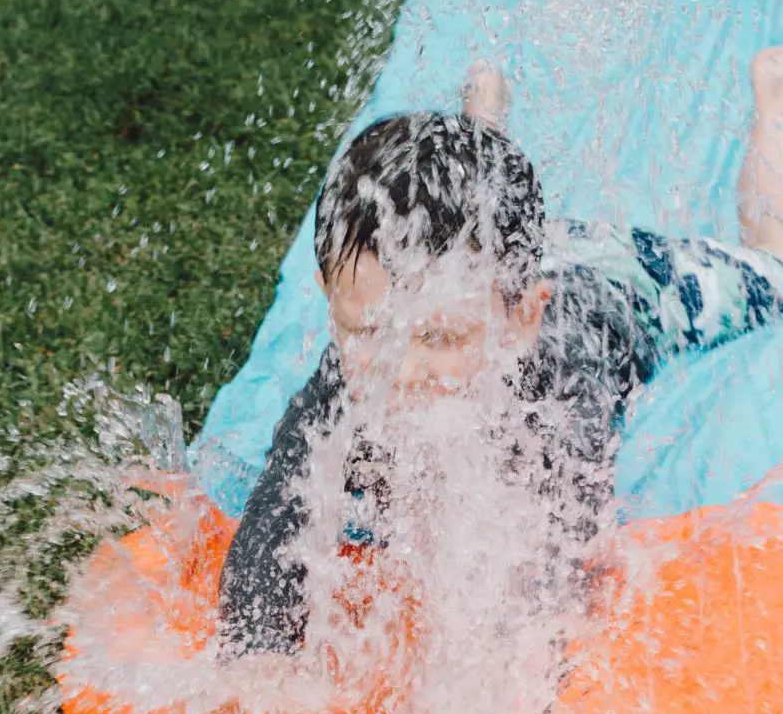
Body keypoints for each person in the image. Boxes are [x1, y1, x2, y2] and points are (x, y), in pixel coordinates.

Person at [216, 49, 783, 661]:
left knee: (774, 270)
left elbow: (561, 565)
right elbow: (276, 519)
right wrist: (254, 658)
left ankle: (773, 101)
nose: (398, 372)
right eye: (366, 332)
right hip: (479, 274)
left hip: (616, 280)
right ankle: (479, 127)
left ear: (522, 324)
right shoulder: (356, 372)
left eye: (440, 340)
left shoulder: (557, 394)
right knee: (467, 226)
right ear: (329, 298)